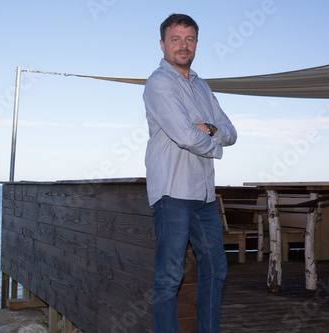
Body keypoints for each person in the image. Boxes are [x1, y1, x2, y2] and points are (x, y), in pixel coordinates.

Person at [143, 13, 237, 333]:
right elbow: (184, 135)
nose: (183, 46)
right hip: (172, 191)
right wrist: (215, 144)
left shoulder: (202, 86)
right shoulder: (158, 83)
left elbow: (230, 131)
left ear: (196, 43)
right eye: (176, 39)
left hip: (204, 194)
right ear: (162, 44)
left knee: (216, 269)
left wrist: (209, 128)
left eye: (189, 39)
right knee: (169, 277)